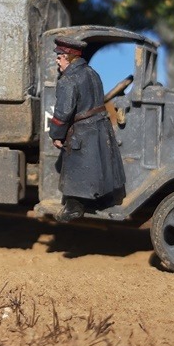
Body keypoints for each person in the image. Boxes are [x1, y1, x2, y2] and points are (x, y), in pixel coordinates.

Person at [48, 37, 125, 222]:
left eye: (59, 57)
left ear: (68, 57)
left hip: (82, 132)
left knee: (75, 168)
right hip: (100, 127)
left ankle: (74, 207)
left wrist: (56, 134)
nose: (57, 61)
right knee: (99, 166)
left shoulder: (68, 80)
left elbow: (63, 112)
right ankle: (97, 201)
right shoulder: (92, 73)